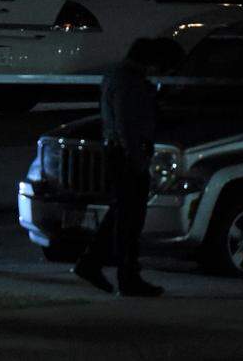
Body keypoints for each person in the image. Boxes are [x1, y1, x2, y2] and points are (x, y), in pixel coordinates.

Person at [73, 37, 185, 297]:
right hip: (127, 154)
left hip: (118, 151)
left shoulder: (116, 76)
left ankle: (94, 262)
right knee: (130, 220)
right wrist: (136, 157)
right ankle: (126, 275)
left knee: (122, 214)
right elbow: (128, 123)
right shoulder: (130, 82)